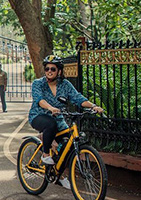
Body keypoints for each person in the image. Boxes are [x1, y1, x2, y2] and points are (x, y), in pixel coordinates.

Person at [29, 55, 104, 189]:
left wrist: (93, 106)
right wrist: (51, 108)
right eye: (47, 69)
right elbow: (39, 100)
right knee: (50, 124)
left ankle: (58, 175)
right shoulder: (38, 83)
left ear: (59, 71)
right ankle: (46, 154)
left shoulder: (65, 85)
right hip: (39, 115)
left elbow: (78, 98)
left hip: (59, 118)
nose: (49, 71)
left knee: (68, 145)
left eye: (53, 69)